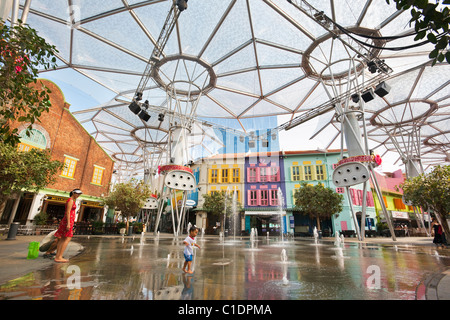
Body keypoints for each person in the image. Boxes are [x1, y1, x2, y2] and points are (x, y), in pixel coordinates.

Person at [54, 189, 82, 262]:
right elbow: (68, 212)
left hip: (69, 221)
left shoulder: (72, 200)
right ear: (73, 193)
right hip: (67, 221)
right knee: (67, 238)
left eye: (79, 194)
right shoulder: (70, 200)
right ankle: (59, 256)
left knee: (63, 238)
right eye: (77, 194)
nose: (78, 195)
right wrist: (68, 224)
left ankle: (58, 256)